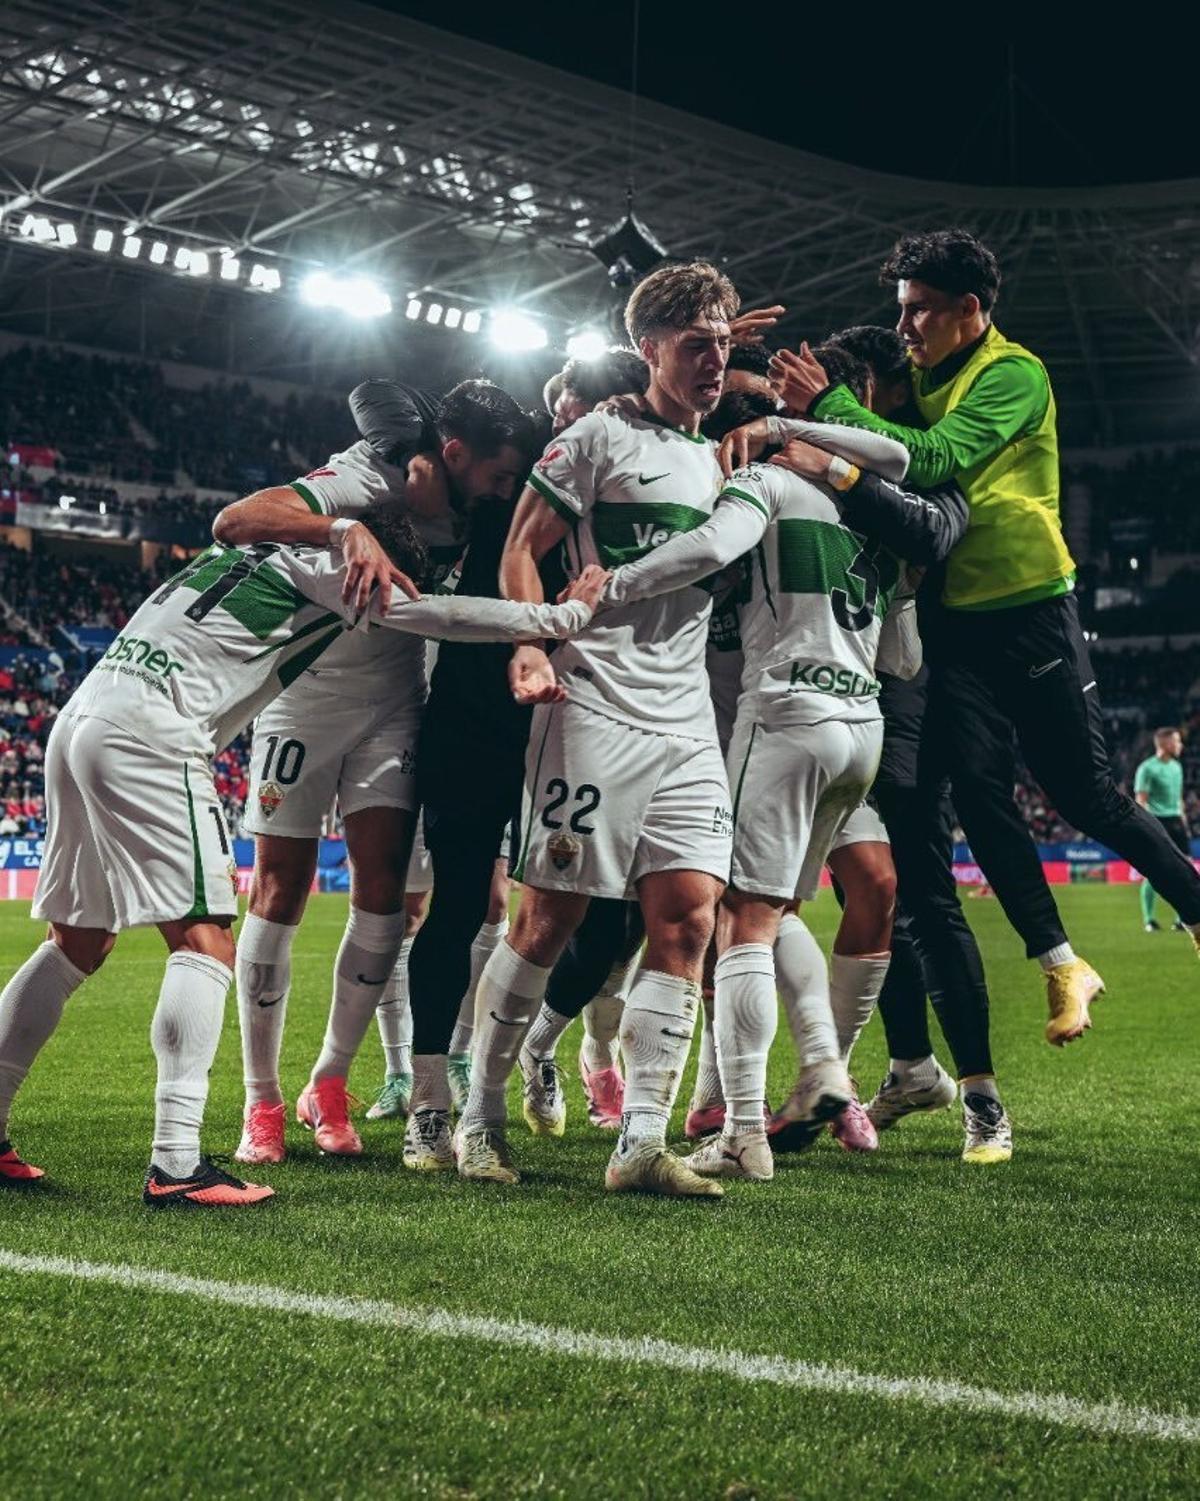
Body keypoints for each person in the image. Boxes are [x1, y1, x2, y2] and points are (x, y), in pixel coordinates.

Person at [0, 507, 605, 1202]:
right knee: (205, 943)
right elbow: (445, 615)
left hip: (81, 720)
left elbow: (237, 518)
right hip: (152, 738)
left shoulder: (253, 549)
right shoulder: (342, 574)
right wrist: (559, 620)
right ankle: (176, 1164)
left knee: (75, 941)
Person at [770, 228, 1200, 1040]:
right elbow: (880, 422)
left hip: (1030, 606)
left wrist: (828, 406)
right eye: (902, 310)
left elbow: (929, 460)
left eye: (921, 310)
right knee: (976, 793)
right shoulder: (923, 375)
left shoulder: (1012, 373)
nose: (907, 327)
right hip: (955, 623)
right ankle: (1061, 963)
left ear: (970, 308)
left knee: (1087, 795)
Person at [457, 260, 741, 1197]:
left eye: (723, 344)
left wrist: (747, 368)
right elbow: (519, 550)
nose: (713, 361)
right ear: (648, 350)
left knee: (689, 918)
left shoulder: (717, 457)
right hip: (594, 706)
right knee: (547, 918)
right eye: (694, 345)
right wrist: (531, 646)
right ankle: (479, 1117)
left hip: (687, 717)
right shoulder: (597, 434)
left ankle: (642, 1144)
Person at [218, 380, 532, 1163]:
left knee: (385, 887)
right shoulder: (369, 474)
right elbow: (236, 521)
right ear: (454, 455)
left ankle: (329, 1080)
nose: (505, 491)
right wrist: (346, 527)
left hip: (395, 696)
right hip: (306, 692)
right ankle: (261, 1099)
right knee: (280, 887)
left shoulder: (472, 496)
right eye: (496, 474)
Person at [1135, 728, 1191, 931]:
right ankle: (1149, 920)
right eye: (1177, 742)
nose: (1180, 745)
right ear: (1166, 744)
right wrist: (1148, 826)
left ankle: (1182, 919)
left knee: (1185, 871)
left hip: (1176, 822)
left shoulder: (1177, 767)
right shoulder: (1147, 768)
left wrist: (1183, 821)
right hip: (1157, 822)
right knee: (1154, 871)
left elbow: (1178, 798)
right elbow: (1141, 801)